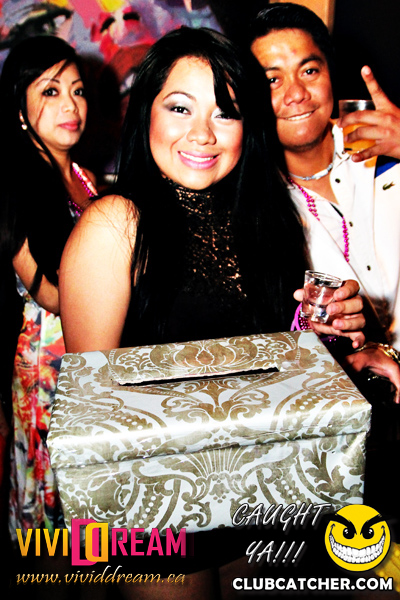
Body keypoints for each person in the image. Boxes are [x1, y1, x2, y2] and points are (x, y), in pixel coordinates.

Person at [59, 27, 364, 598]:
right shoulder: (117, 224)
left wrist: (325, 334)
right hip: (158, 504)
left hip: (259, 492)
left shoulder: (267, 221)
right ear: (145, 113)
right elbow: (98, 411)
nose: (202, 133)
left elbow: (272, 362)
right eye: (180, 108)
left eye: (226, 113)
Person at [248, 3, 400, 400]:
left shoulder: (388, 152)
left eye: (309, 71)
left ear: (331, 74)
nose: (296, 94)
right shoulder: (251, 204)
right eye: (272, 80)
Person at [0, 35, 97, 543]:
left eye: (78, 90)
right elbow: (51, 295)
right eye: (51, 91)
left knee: (90, 494)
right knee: (53, 503)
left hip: (93, 343)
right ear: (20, 109)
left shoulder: (85, 176)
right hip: (50, 355)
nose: (71, 105)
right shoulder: (15, 184)